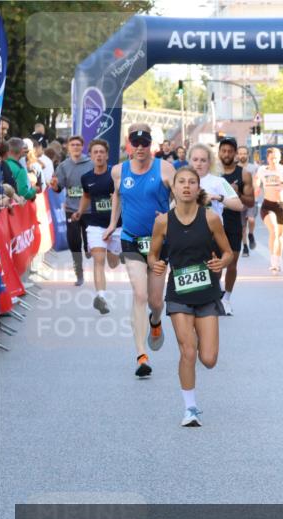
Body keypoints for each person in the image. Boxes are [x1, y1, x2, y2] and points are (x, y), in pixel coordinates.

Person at [147, 166, 233, 427]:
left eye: (191, 182)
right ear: (173, 188)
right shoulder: (163, 221)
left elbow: (227, 252)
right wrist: (156, 264)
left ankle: (197, 336)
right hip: (179, 292)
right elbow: (153, 254)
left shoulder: (210, 219)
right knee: (188, 351)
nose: (186, 186)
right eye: (181, 182)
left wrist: (222, 263)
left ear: (198, 188)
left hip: (206, 293)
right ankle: (190, 409)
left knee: (208, 359)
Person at [103, 124, 176, 378]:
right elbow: (117, 197)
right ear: (129, 145)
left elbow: (179, 199)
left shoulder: (165, 168)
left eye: (145, 143)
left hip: (158, 242)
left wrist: (170, 216)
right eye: (136, 143)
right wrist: (113, 223)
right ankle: (140, 354)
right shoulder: (118, 171)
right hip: (131, 240)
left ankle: (155, 321)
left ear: (151, 145)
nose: (141, 148)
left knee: (156, 302)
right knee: (140, 294)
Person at [187, 143, 243, 313]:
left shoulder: (218, 181)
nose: (199, 163)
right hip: (188, 233)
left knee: (214, 270)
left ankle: (217, 294)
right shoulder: (183, 180)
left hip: (212, 234)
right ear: (190, 160)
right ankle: (198, 302)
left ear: (209, 162)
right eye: (195, 159)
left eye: (203, 160)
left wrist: (217, 197)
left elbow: (238, 204)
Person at [73, 139, 119, 314]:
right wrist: (79, 211)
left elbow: (124, 196)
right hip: (96, 225)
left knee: (113, 263)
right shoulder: (87, 178)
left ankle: (115, 254)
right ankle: (101, 297)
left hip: (116, 226)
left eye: (102, 152)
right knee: (98, 262)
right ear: (91, 156)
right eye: (95, 152)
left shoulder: (115, 175)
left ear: (107, 155)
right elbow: (86, 196)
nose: (99, 155)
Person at [217, 137, 254, 314]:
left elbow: (251, 202)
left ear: (235, 153)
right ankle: (216, 293)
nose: (226, 154)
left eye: (230, 151)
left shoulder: (244, 174)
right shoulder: (213, 174)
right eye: (223, 150)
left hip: (233, 223)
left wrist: (237, 192)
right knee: (214, 262)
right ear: (219, 153)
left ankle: (227, 298)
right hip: (213, 222)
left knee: (231, 264)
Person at [51, 135, 93, 285]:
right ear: (68, 148)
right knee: (74, 242)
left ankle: (89, 247)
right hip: (71, 208)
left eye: (78, 145)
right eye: (72, 145)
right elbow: (58, 188)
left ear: (82, 147)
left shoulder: (91, 163)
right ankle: (79, 274)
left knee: (89, 242)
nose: (75, 147)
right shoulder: (63, 166)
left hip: (89, 209)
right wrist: (55, 186)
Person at [253, 147, 283, 273]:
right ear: (267, 159)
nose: (274, 160)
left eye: (276, 158)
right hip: (267, 205)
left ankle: (278, 260)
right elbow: (256, 180)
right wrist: (257, 187)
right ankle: (272, 261)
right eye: (272, 158)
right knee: (274, 231)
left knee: (280, 236)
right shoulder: (262, 170)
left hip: (281, 205)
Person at [236, 145, 259, 256]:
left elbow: (257, 182)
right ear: (237, 155)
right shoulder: (235, 168)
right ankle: (245, 247)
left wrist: (257, 189)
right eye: (240, 153)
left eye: (244, 153)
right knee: (242, 227)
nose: (242, 155)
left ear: (248, 155)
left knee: (251, 220)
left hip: (251, 199)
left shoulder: (253, 168)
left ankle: (251, 234)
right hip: (239, 200)